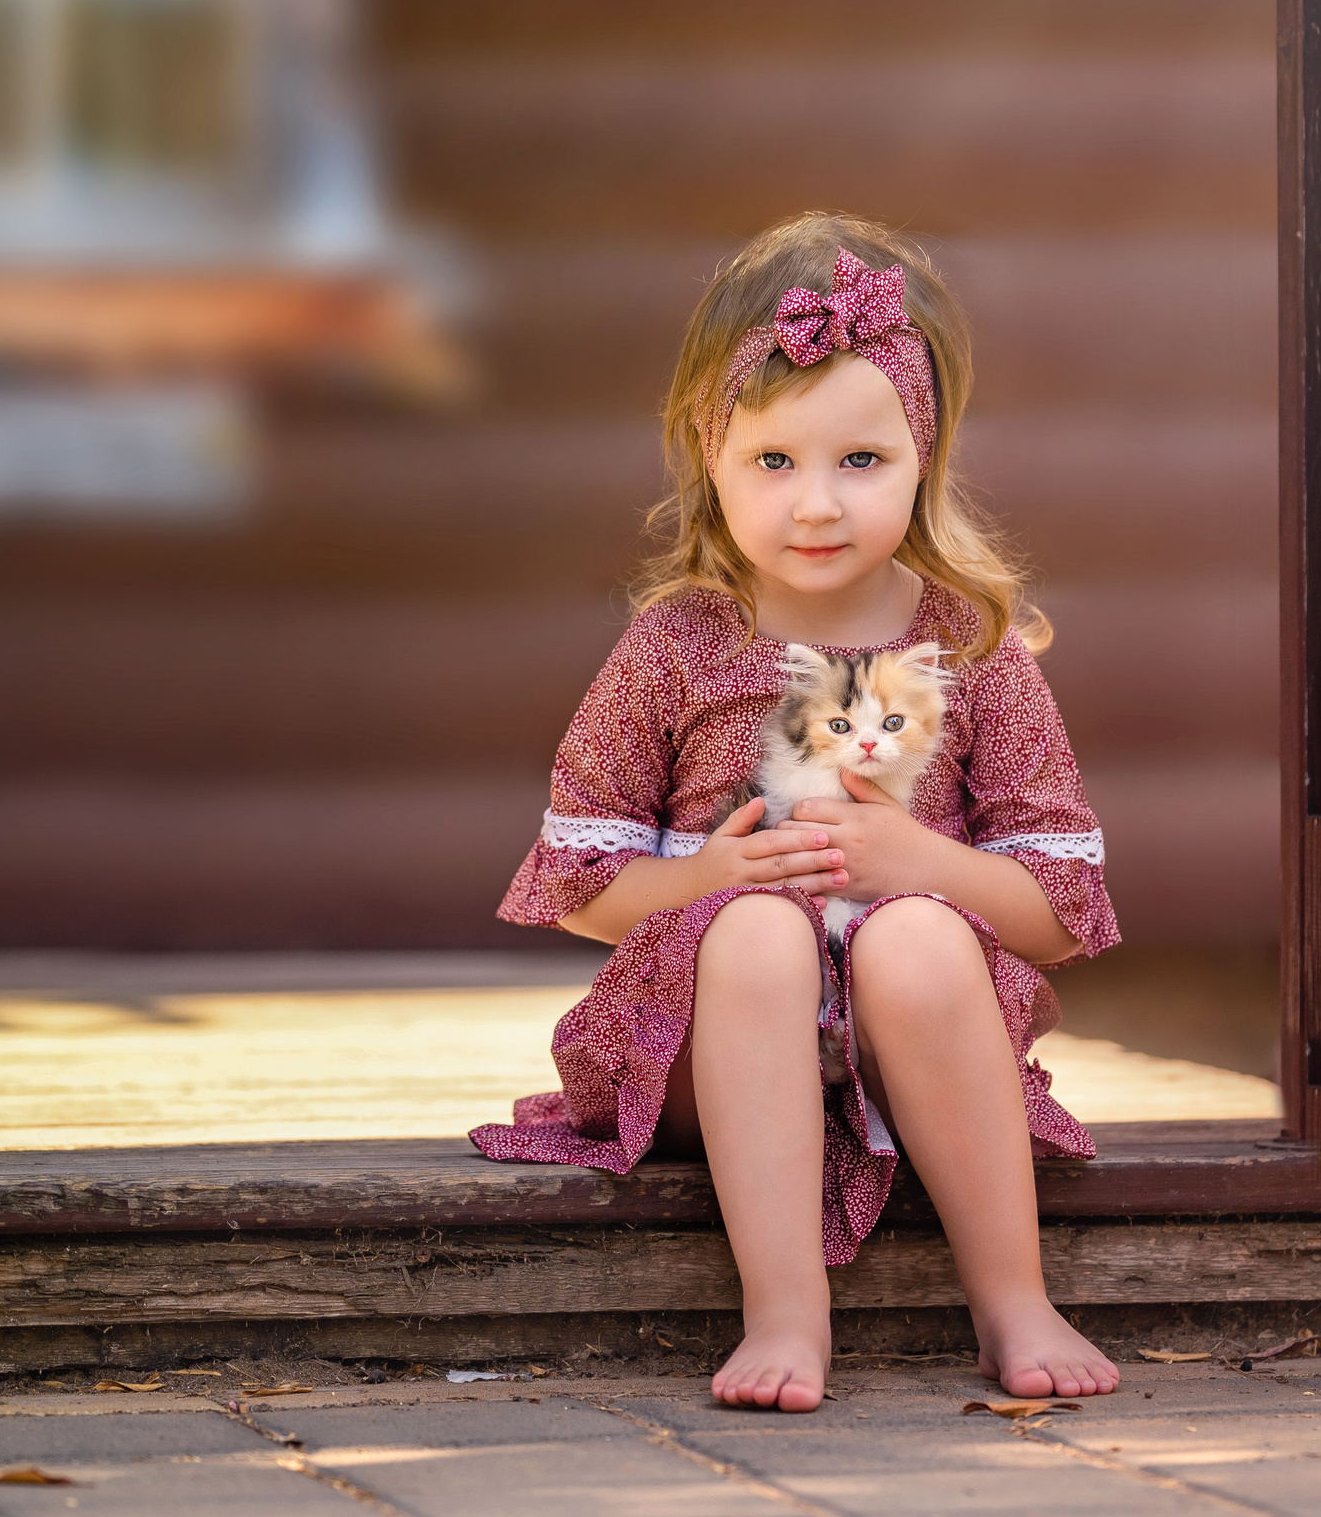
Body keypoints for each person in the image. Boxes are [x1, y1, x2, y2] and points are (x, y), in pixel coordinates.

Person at [471, 212, 1122, 1412]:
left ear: (925, 456)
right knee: (760, 932)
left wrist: (919, 860)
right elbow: (578, 886)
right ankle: (784, 1311)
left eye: (859, 460)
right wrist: (703, 881)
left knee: (918, 933)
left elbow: (1059, 916)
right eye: (773, 461)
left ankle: (1013, 1298)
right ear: (707, 455)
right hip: (701, 1043)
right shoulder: (675, 648)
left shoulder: (968, 648)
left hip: (908, 1047)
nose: (814, 505)